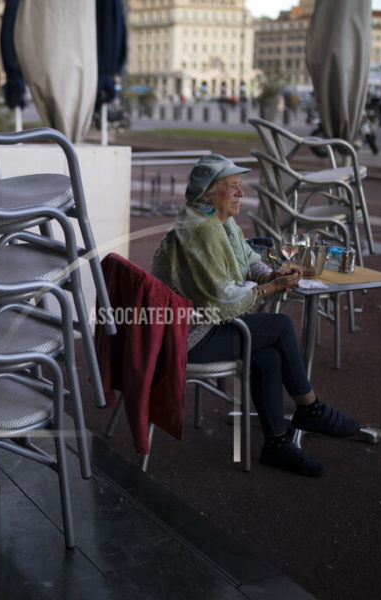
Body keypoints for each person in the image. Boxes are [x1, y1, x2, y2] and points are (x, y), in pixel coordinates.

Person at [151, 154, 360, 476]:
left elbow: (248, 258)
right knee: (280, 326)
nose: (241, 192)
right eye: (232, 186)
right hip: (186, 338)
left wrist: (270, 274)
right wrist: (271, 288)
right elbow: (220, 299)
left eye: (240, 185)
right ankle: (310, 408)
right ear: (208, 193)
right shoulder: (200, 230)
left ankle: (276, 443)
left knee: (267, 357)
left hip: (200, 326)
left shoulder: (217, 219)